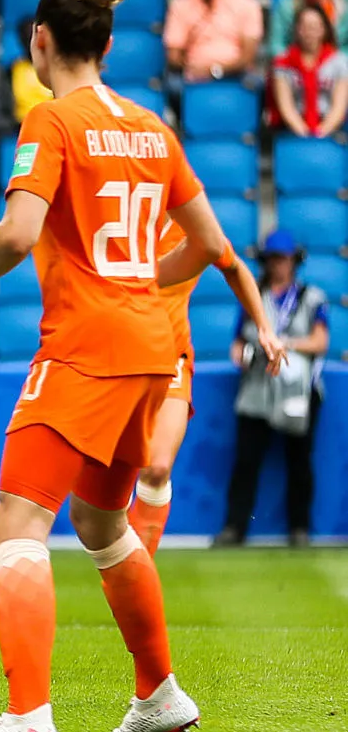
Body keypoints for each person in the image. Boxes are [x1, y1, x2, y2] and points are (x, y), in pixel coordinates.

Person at [0, 0, 243, 732]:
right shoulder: (149, 125)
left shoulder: (52, 120)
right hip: (148, 346)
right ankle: (158, 692)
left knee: (18, 520)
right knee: (104, 523)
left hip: (84, 346)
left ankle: (27, 716)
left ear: (41, 41)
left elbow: (18, 232)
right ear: (106, 42)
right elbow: (206, 244)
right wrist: (139, 281)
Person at [127, 218, 284, 556]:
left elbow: (234, 267)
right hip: (116, 359)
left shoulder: (190, 221)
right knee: (104, 491)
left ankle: (136, 569)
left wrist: (264, 328)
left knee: (157, 468)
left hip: (171, 357)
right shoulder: (120, 213)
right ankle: (119, 544)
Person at [219, 230, 331, 546]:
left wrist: (285, 344)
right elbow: (239, 340)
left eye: (282, 259)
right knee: (246, 460)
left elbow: (321, 342)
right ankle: (234, 527)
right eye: (272, 259)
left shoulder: (313, 297)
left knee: (300, 461)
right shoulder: (252, 293)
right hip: (257, 386)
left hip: (297, 389)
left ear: (294, 261)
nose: (277, 265)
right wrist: (240, 352)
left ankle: (299, 529)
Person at [271, 2, 348, 133]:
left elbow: (338, 108)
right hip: (293, 130)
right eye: (304, 27)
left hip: (330, 130)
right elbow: (286, 107)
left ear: (324, 29)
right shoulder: (283, 62)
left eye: (314, 27)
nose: (309, 32)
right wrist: (305, 134)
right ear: (297, 29)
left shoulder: (339, 62)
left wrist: (319, 133)